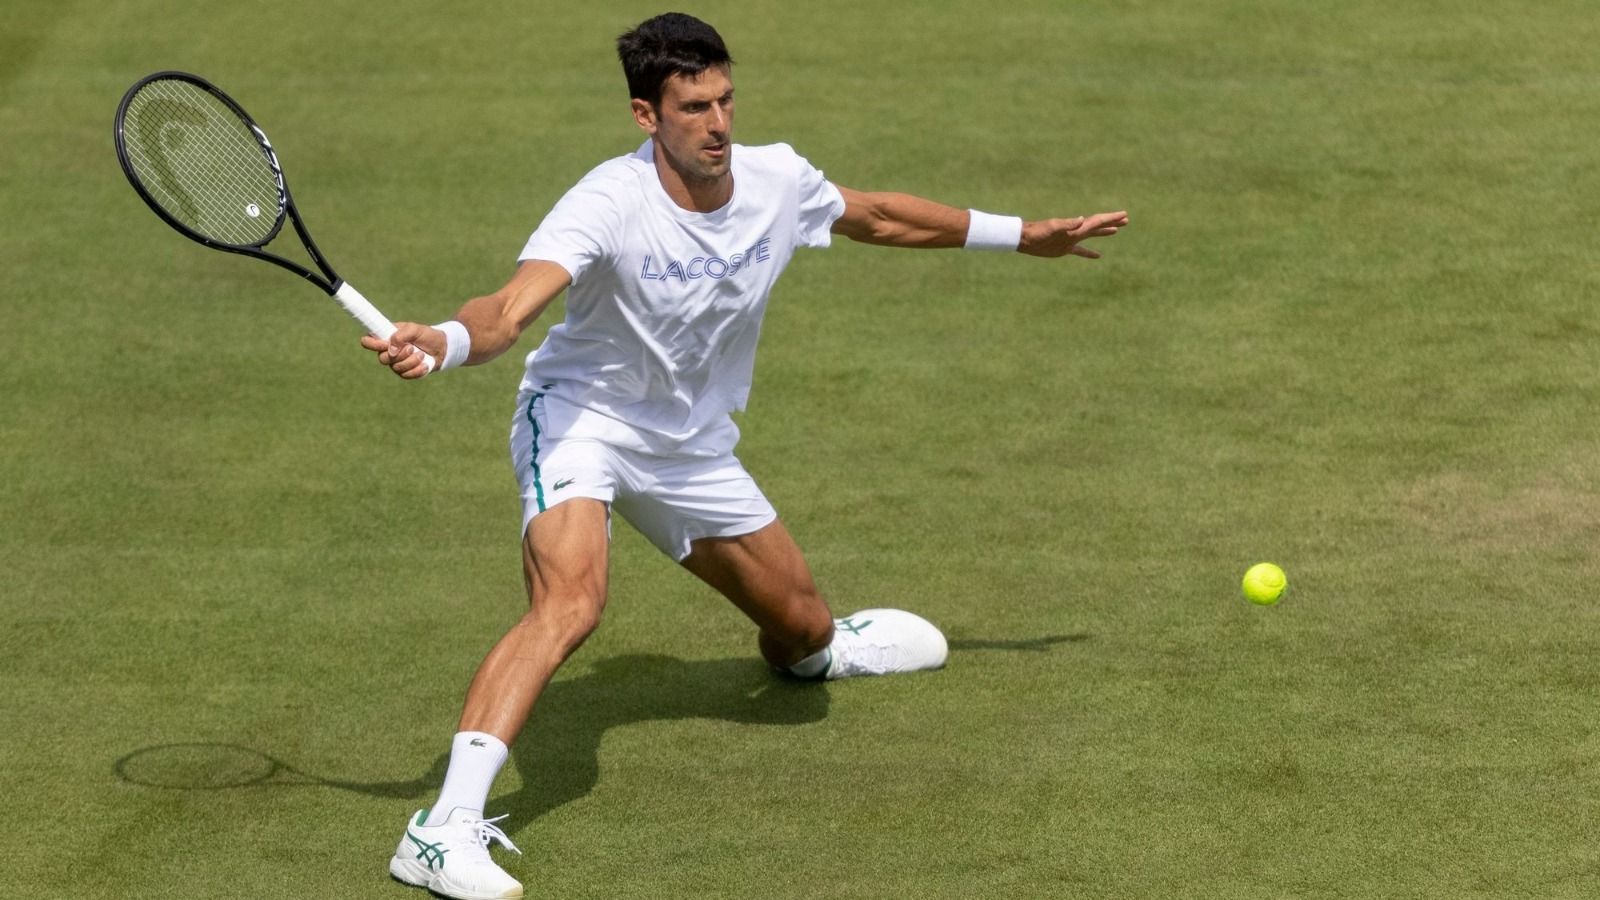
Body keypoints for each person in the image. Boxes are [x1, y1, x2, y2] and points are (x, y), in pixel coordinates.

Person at [368, 13, 1127, 900]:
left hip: (692, 449)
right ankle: (440, 830)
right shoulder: (605, 202)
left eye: (726, 100)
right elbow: (507, 308)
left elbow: (874, 215)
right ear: (646, 116)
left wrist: (1022, 233)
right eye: (694, 107)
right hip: (585, 425)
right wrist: (451, 343)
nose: (719, 124)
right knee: (572, 602)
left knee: (803, 637)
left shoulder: (775, 179)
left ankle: (824, 645)